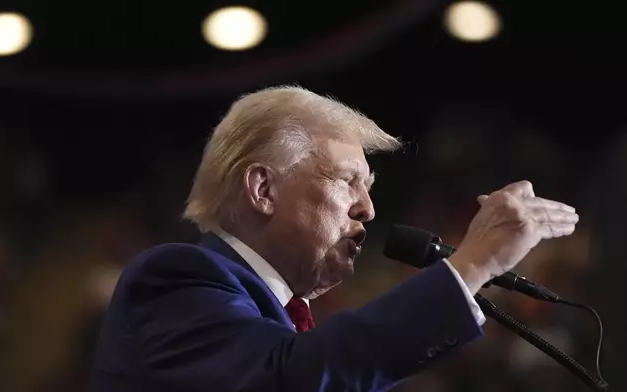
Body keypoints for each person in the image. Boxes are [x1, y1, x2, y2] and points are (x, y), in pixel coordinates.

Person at [91, 86, 578, 392]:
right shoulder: (174, 281)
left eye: (370, 187)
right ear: (264, 189)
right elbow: (290, 379)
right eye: (348, 180)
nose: (368, 208)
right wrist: (472, 264)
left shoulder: (285, 321)